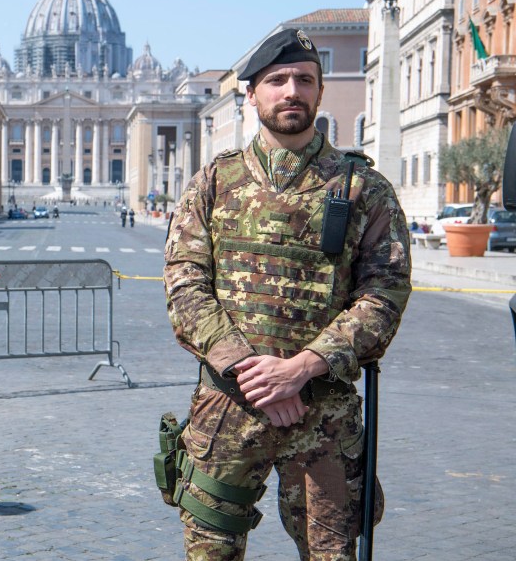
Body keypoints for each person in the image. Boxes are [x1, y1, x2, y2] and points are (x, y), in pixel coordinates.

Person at [163, 28, 412, 560]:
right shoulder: (213, 183)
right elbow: (185, 285)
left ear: (320, 93)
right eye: (276, 80)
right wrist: (252, 374)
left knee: (332, 555)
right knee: (211, 554)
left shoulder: (363, 191)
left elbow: (384, 293)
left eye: (305, 79)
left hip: (324, 416)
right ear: (251, 95)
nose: (291, 90)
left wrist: (303, 367)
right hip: (228, 412)